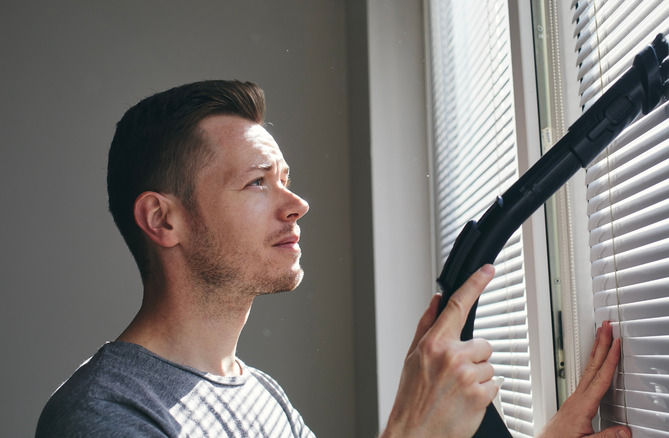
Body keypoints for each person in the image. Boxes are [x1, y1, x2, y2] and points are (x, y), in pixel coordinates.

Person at [36, 80, 630, 438]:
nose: (297, 204)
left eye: (286, 180)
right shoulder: (101, 414)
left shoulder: (262, 398)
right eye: (256, 183)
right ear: (164, 220)